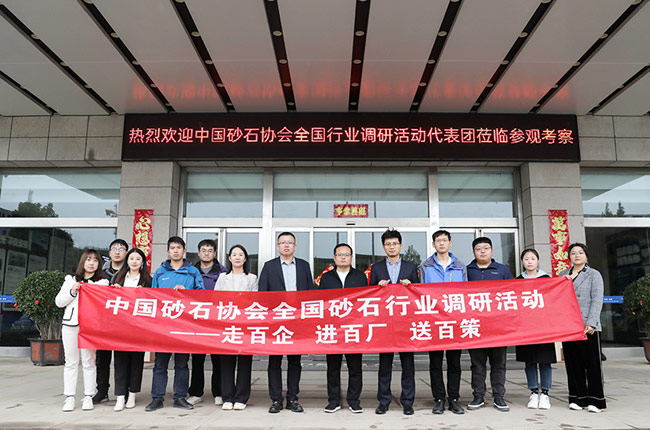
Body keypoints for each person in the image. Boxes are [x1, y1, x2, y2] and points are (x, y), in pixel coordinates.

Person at [145, 236, 205, 412]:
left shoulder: (193, 271)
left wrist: (188, 292)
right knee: (160, 364)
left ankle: (180, 397)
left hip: (184, 325)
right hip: (163, 326)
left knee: (182, 364)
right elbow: (153, 298)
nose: (176, 251)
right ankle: (157, 398)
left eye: (179, 248)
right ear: (168, 251)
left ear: (184, 251)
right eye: (172, 248)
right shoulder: (160, 272)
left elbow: (202, 295)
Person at [258, 232, 314, 414]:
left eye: (290, 242)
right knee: (274, 361)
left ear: (295, 246)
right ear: (277, 246)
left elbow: (310, 293)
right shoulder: (269, 266)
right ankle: (276, 399)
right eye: (283, 242)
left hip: (297, 321)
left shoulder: (304, 266)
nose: (286, 245)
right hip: (276, 321)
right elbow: (262, 294)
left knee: (295, 361)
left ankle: (292, 398)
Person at [369, 229, 419, 416]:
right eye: (388, 244)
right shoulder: (376, 268)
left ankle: (408, 401)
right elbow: (369, 295)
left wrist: (410, 286)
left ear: (400, 246)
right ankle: (383, 401)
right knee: (385, 365)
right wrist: (378, 287)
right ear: (383, 247)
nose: (392, 247)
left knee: (408, 365)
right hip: (385, 323)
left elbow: (418, 294)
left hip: (406, 323)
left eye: (395, 244)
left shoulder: (410, 267)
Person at [55, 249, 110, 412]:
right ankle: (70, 397)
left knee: (89, 361)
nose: (92, 263)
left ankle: (88, 396)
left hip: (90, 327)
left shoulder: (102, 283)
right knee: (71, 362)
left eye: (95, 260)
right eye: (88, 259)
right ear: (83, 262)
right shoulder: (70, 280)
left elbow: (105, 303)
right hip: (70, 325)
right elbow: (59, 302)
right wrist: (72, 291)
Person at [419, 230, 466, 415]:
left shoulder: (460, 267)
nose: (441, 243)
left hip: (455, 322)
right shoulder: (425, 266)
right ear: (433, 244)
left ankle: (454, 398)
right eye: (438, 241)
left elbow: (467, 294)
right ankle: (439, 398)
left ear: (450, 243)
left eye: (444, 240)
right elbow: (420, 293)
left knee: (454, 363)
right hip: (434, 322)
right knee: (435, 363)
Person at [319, 243, 368, 414]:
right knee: (333, 368)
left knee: (355, 368)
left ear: (351, 257)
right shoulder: (326, 278)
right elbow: (321, 302)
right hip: (333, 329)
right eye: (340, 254)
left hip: (353, 329)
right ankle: (334, 401)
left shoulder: (360, 277)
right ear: (334, 258)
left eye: (346, 254)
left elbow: (365, 302)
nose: (343, 257)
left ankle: (354, 401)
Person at [466, 237, 513, 412]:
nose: (482, 251)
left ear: (492, 251)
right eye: (478, 249)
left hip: (498, 326)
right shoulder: (467, 271)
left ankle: (499, 396)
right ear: (473, 252)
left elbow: (513, 293)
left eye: (486, 248)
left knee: (498, 364)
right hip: (475, 326)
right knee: (477, 364)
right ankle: (478, 396)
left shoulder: (502, 270)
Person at [560, 243, 606, 413]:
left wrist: (591, 322)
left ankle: (596, 400)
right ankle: (577, 398)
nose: (576, 255)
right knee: (573, 364)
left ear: (586, 256)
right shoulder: (563, 274)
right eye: (573, 253)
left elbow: (597, 299)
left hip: (588, 326)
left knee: (592, 364)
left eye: (580, 252)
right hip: (569, 326)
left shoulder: (594, 274)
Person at [214, 244, 259, 411]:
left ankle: (241, 397)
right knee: (226, 362)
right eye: (234, 254)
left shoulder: (252, 278)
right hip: (226, 324)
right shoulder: (222, 277)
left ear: (245, 258)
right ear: (230, 258)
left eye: (241, 254)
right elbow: (216, 299)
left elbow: (255, 301)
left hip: (246, 325)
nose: (237, 257)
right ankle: (227, 397)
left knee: (244, 362)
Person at [186, 239, 227, 407]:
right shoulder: (191, 271)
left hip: (217, 320)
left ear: (214, 253)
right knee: (197, 359)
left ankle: (219, 393)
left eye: (210, 250)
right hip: (198, 321)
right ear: (198, 253)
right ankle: (196, 392)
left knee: (218, 359)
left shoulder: (223, 272)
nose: (207, 253)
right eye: (203, 250)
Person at [111, 248, 152, 411]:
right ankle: (120, 396)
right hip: (120, 326)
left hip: (139, 327)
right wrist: (113, 291)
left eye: (138, 259)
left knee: (136, 361)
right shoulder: (118, 278)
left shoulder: (148, 280)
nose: (134, 261)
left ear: (143, 262)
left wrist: (145, 293)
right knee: (120, 361)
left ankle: (132, 394)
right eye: (132, 258)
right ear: (127, 261)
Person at [515, 248, 555, 410]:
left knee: (545, 361)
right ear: (522, 262)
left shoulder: (547, 279)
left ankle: (545, 393)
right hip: (525, 327)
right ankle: (533, 392)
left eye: (533, 258)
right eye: (526, 259)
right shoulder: (517, 280)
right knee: (529, 361)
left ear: (538, 260)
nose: (530, 261)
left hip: (544, 327)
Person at [93, 238, 128, 404]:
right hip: (103, 322)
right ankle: (102, 390)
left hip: (124, 323)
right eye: (114, 248)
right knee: (102, 359)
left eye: (121, 249)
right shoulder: (100, 273)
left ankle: (122, 391)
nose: (117, 252)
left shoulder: (131, 272)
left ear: (126, 253)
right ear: (109, 252)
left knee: (122, 359)